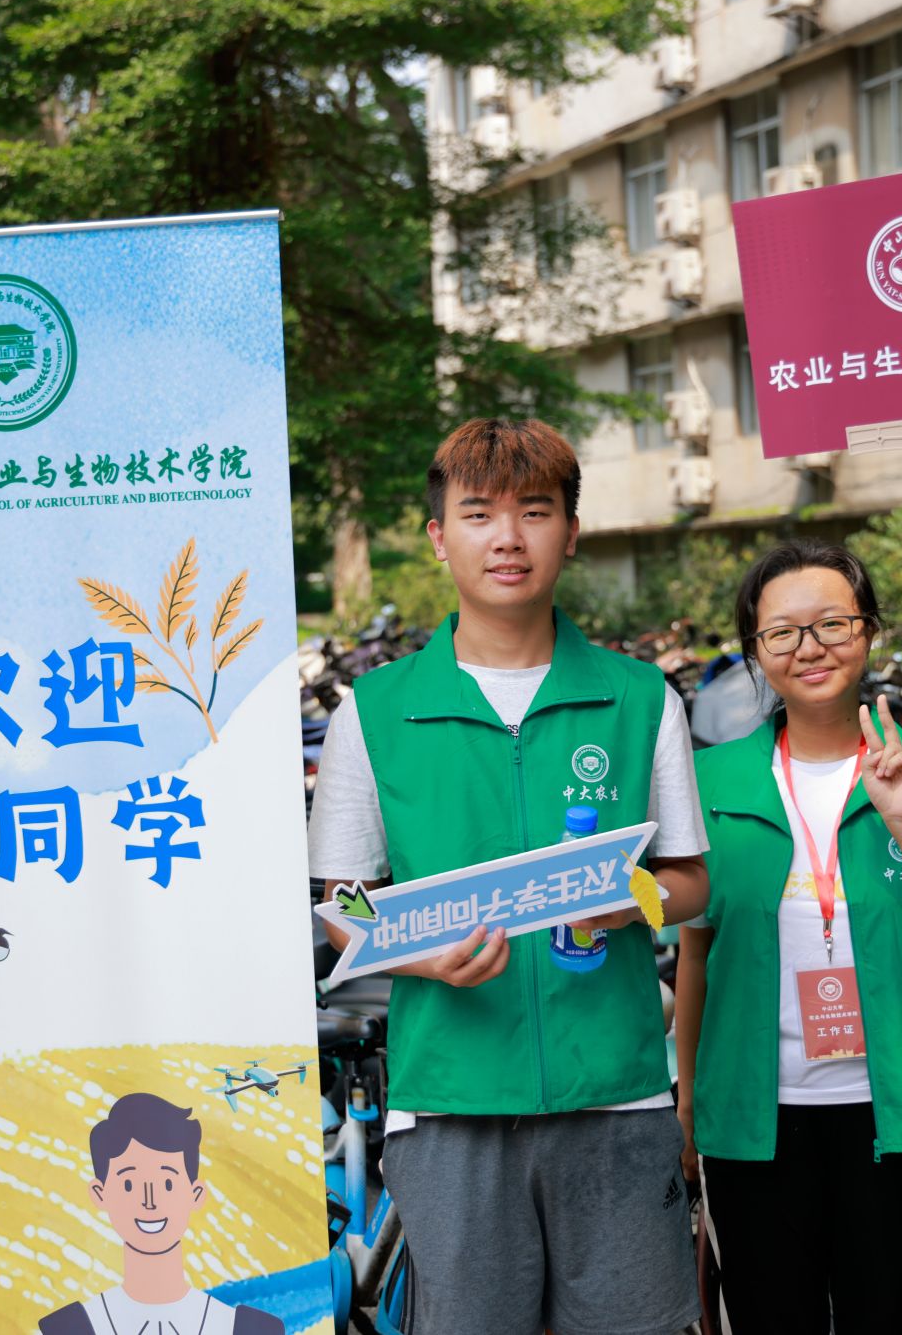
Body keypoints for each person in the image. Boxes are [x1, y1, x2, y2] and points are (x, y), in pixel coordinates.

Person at [306, 417, 710, 1335]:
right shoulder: (377, 710)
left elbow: (691, 883)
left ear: (571, 531)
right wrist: (418, 955)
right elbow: (341, 902)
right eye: (479, 513)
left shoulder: (639, 697)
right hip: (451, 1104)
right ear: (438, 536)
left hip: (616, 1095)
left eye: (535, 511)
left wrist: (630, 901)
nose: (508, 538)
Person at [672, 538, 902, 1333]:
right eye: (782, 632)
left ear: (869, 630)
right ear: (755, 651)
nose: (810, 647)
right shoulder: (711, 783)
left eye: (832, 623)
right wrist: (689, 1104)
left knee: (892, 1318)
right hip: (752, 1119)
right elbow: (696, 952)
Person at [39, 1093, 285, 1335]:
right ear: (100, 1193)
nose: (149, 1201)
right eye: (129, 1185)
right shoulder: (67, 1329)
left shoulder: (251, 1329)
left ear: (196, 1193)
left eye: (167, 1183)